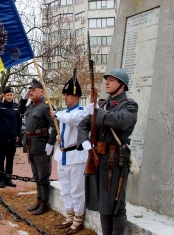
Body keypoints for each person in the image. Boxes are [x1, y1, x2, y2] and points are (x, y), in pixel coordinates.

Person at [77, 69, 138, 235]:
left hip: (116, 160)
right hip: (99, 159)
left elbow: (120, 121)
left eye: (112, 80)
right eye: (107, 80)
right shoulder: (103, 104)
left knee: (117, 205)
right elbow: (83, 125)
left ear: (122, 84)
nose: (107, 82)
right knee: (104, 204)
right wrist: (84, 142)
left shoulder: (129, 105)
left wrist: (96, 112)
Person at [49, 77, 89, 234]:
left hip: (76, 155)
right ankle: (69, 215)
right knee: (65, 188)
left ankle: (78, 219)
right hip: (63, 154)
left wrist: (56, 114)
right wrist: (60, 138)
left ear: (76, 97)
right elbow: (64, 122)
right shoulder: (63, 112)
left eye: (68, 95)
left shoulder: (82, 112)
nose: (65, 97)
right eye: (64, 94)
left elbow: (71, 120)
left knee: (76, 189)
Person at [18, 78, 57, 215]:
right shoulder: (31, 105)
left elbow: (55, 126)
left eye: (33, 90)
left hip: (42, 144)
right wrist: (23, 98)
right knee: (36, 175)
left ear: (41, 92)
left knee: (43, 176)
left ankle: (45, 203)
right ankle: (39, 200)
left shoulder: (46, 107)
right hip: (31, 144)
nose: (31, 92)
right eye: (30, 90)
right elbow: (20, 110)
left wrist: (51, 143)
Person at [0, 86, 22, 188]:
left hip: (12, 139)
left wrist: (18, 134)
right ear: (4, 96)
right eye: (7, 95)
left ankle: (8, 179)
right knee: (0, 160)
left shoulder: (16, 107)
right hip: (1, 139)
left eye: (11, 95)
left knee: (10, 160)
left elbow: (19, 122)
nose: (9, 97)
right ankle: (1, 180)